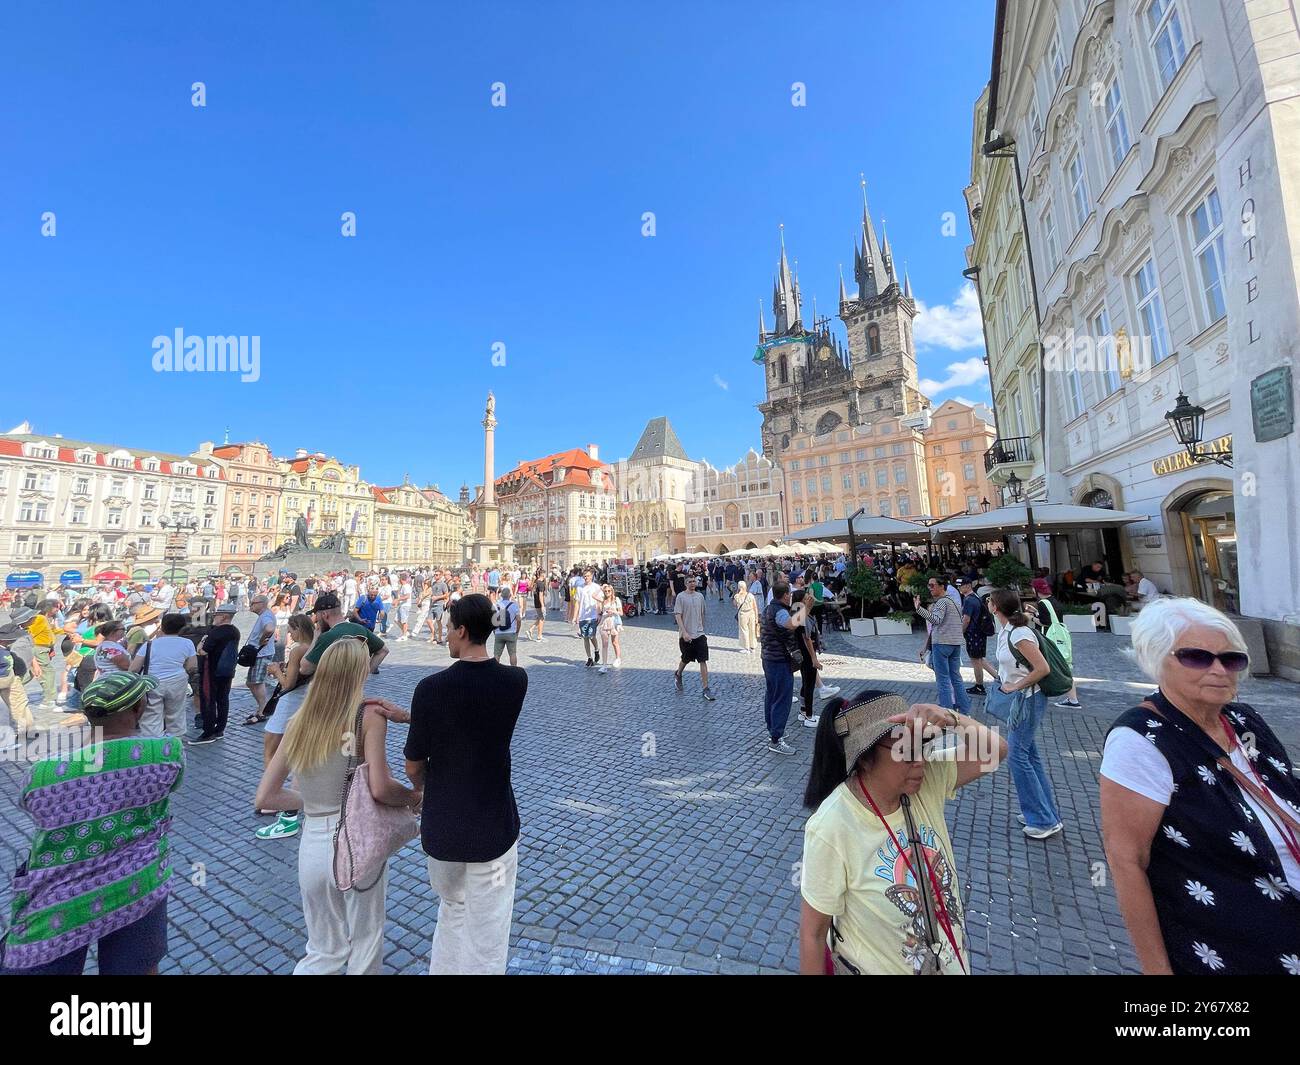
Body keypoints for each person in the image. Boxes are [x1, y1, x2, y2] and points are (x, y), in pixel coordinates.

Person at [1100, 598, 1300, 974]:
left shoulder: (1242, 719)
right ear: (1157, 660)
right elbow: (1127, 861)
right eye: (1196, 657)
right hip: (1235, 948)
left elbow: (1282, 791)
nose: (1219, 669)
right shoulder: (1140, 740)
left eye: (1231, 658)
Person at [798, 690, 1005, 974]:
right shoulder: (832, 826)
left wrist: (951, 718)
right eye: (905, 750)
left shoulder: (928, 781)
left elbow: (996, 751)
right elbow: (812, 935)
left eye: (923, 744)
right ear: (864, 758)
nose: (920, 759)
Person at [254, 638, 420, 974]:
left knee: (322, 950)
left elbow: (266, 797)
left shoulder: (299, 720)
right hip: (355, 843)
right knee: (365, 943)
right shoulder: (368, 714)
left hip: (312, 846)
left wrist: (316, 801)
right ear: (360, 671)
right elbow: (381, 787)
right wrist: (416, 797)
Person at [0, 672, 184, 974]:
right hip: (139, 878)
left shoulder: (44, 774)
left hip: (61, 894)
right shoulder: (167, 752)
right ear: (138, 708)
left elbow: (28, 803)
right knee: (137, 968)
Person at [393, 594, 527, 974]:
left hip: (444, 828)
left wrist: (421, 786)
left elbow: (414, 765)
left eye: (449, 629)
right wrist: (412, 717)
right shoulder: (515, 681)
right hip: (493, 826)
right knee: (489, 928)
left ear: (463, 631)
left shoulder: (431, 689)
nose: (445, 636)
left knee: (452, 911)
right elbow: (475, 715)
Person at [986, 589, 1062, 839]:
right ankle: (1042, 811)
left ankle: (1042, 819)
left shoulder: (1019, 633)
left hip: (1028, 699)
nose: (988, 604)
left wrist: (1014, 685)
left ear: (995, 607)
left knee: (1018, 756)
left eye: (990, 601)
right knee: (1029, 755)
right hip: (1021, 699)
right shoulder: (1007, 630)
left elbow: (1042, 668)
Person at [760, 580, 809, 755]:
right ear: (786, 595)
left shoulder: (767, 609)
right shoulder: (779, 611)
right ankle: (776, 739)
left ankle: (772, 730)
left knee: (771, 695)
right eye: (789, 594)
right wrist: (804, 609)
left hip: (768, 658)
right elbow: (791, 624)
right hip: (779, 660)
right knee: (782, 699)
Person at [131, 612, 198, 737]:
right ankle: (175, 745)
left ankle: (153, 746)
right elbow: (192, 667)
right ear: (182, 627)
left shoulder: (150, 644)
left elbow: (134, 668)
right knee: (176, 714)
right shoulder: (187, 643)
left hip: (152, 682)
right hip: (177, 681)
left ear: (162, 627)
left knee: (151, 716)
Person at [912, 577, 971, 718]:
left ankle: (946, 712)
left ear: (942, 586)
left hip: (942, 643)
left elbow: (935, 620)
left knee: (943, 679)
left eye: (932, 585)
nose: (930, 588)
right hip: (955, 643)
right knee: (956, 677)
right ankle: (964, 710)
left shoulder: (942, 602)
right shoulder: (955, 602)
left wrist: (918, 609)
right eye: (929, 585)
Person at [191, 603, 241, 744]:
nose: (214, 617)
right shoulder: (234, 631)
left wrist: (200, 643)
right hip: (227, 670)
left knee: (208, 699)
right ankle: (219, 729)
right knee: (223, 699)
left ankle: (208, 732)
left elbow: (202, 651)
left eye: (216, 615)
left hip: (212, 671)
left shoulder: (217, 632)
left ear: (224, 616)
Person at [672, 575, 715, 701]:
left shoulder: (700, 596)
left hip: (699, 634)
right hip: (686, 634)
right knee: (686, 658)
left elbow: (702, 613)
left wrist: (701, 628)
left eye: (694, 581)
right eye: (690, 582)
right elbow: (678, 616)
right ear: (686, 583)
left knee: (703, 660)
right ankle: (678, 673)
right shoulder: (680, 597)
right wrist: (684, 632)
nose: (692, 583)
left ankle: (706, 688)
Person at [959, 577, 995, 696]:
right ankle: (999, 678)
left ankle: (979, 686)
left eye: (961, 585)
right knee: (979, 659)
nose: (959, 588)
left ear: (968, 585)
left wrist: (960, 633)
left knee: (976, 661)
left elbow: (966, 619)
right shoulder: (975, 597)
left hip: (973, 633)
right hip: (979, 633)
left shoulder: (969, 600)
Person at [245, 593, 277, 718]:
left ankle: (263, 709)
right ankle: (262, 707)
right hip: (260, 653)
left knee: (257, 682)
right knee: (251, 682)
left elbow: (269, 629)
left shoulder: (266, 616)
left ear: (262, 604)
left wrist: (262, 639)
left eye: (254, 603)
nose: (251, 605)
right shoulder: (265, 615)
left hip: (262, 653)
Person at [574, 569, 604, 669]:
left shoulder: (596, 587)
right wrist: (576, 616)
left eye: (587, 576)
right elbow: (577, 602)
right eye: (584, 576)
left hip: (593, 615)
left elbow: (599, 602)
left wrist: (599, 614)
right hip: (583, 616)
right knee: (585, 637)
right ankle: (589, 658)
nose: (586, 578)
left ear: (591, 576)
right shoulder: (579, 588)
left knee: (591, 635)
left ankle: (596, 649)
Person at [491, 587, 522, 666]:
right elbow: (518, 619)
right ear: (510, 595)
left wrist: (495, 631)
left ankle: (494, 671)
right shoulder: (514, 605)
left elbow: (492, 621)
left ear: (501, 595)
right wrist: (517, 630)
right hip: (511, 632)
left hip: (498, 632)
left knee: (497, 655)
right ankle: (514, 670)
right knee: (512, 653)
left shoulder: (495, 605)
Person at [597, 583, 622, 673]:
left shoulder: (616, 600)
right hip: (604, 622)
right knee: (604, 644)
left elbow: (621, 613)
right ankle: (604, 665)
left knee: (615, 642)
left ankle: (618, 658)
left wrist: (613, 611)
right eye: (606, 591)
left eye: (609, 591)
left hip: (613, 622)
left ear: (612, 592)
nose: (607, 592)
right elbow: (593, 596)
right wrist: (600, 588)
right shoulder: (603, 600)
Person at [733, 577, 760, 654]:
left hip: (743, 614)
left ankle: (746, 647)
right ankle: (753, 647)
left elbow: (734, 604)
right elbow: (755, 607)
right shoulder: (750, 595)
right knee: (752, 630)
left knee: (744, 630)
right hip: (751, 613)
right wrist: (756, 617)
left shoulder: (737, 596)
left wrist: (736, 593)